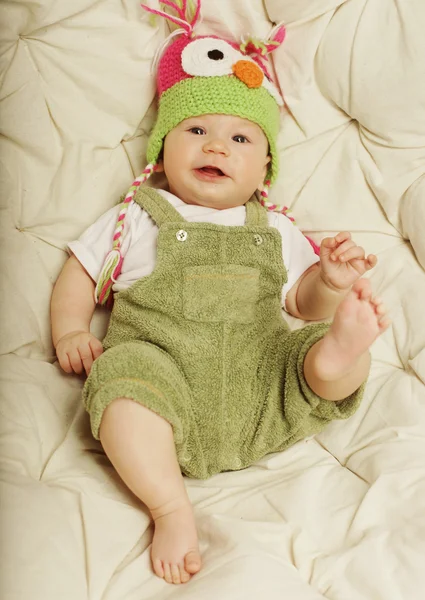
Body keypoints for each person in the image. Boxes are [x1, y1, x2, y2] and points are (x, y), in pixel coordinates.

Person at [50, 1, 390, 586]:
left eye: (239, 138)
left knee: (315, 350)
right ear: (162, 149)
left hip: (263, 383)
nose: (215, 147)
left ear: (264, 169)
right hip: (164, 377)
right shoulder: (138, 214)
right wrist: (72, 330)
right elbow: (81, 272)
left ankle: (338, 355)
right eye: (196, 130)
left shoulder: (274, 228)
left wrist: (327, 284)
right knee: (120, 384)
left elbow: (298, 303)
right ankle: (170, 506)